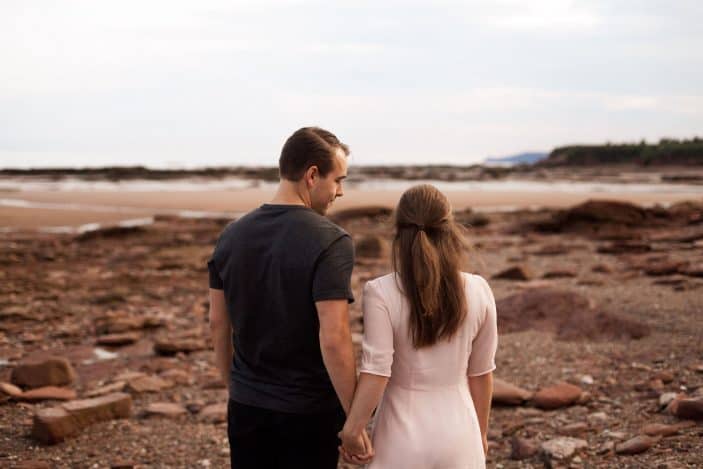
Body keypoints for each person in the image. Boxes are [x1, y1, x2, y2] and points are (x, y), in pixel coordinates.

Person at [207, 127, 373, 469]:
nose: (340, 192)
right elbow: (335, 337)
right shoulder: (330, 240)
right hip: (308, 412)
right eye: (338, 180)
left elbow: (217, 322)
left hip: (246, 406)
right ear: (312, 175)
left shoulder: (231, 235)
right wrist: (353, 420)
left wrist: (235, 387)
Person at [339, 184, 498, 469]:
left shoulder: (381, 291)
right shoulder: (479, 289)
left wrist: (353, 429)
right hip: (460, 432)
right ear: (450, 229)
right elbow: (481, 373)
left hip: (400, 435)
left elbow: (377, 370)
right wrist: (481, 434)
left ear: (398, 233)